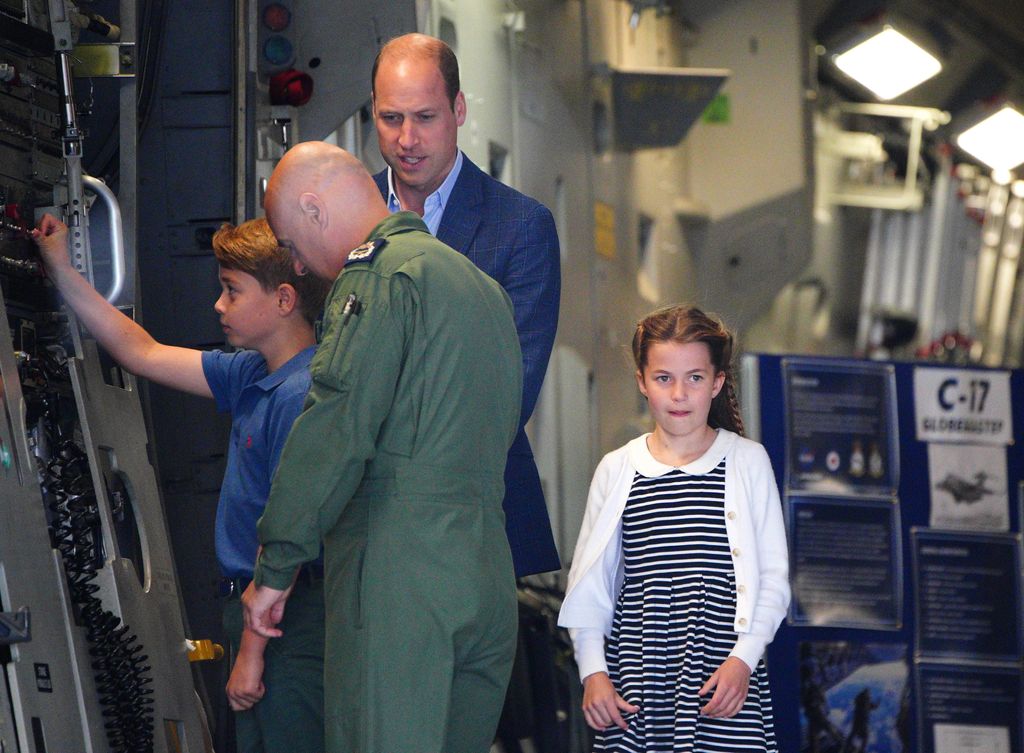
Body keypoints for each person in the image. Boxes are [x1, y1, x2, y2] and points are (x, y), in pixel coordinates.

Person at [241, 141, 523, 753]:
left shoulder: (378, 277)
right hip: (487, 576)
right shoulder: (482, 289)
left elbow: (334, 428)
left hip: (402, 581)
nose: (296, 266)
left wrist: (276, 567)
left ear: (313, 209)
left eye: (289, 245)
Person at [32, 214, 330, 753]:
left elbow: (287, 531)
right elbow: (141, 353)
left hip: (286, 625)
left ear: (284, 300)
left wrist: (252, 655)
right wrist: (62, 271)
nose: (218, 305)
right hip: (253, 616)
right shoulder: (252, 375)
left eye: (231, 291)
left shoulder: (298, 396)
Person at [557, 304, 791, 752]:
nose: (679, 393)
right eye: (664, 378)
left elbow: (774, 581)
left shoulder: (746, 460)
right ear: (643, 382)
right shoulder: (617, 468)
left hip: (720, 677)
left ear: (718, 382)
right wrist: (594, 673)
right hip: (637, 676)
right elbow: (589, 586)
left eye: (695, 378)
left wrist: (743, 660)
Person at [370, 32, 561, 576]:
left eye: (425, 117)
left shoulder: (521, 227)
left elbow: (509, 392)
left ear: (458, 110)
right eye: (390, 118)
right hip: (361, 526)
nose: (407, 138)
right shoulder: (348, 221)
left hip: (475, 523)